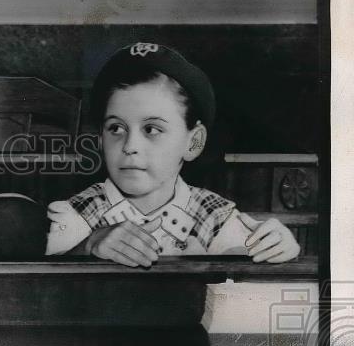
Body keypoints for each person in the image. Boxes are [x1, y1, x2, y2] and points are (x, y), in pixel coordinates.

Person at [45, 42, 301, 267]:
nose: (129, 145)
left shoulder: (214, 216)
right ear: (100, 138)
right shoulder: (77, 213)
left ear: (193, 142)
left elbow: (245, 270)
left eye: (152, 129)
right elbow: (45, 292)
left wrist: (275, 249)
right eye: (116, 128)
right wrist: (88, 247)